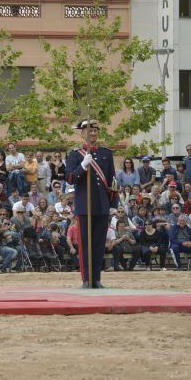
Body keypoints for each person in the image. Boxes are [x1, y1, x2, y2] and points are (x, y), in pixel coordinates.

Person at [66, 118, 117, 288]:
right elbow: (70, 178)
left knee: (98, 244)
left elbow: (112, 181)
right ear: (82, 133)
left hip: (102, 204)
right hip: (85, 205)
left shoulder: (106, 153)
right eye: (89, 131)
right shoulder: (75, 155)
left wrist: (113, 205)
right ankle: (86, 279)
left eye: (95, 131)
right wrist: (82, 165)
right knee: (85, 244)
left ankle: (97, 279)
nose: (93, 133)